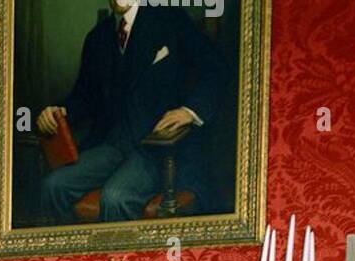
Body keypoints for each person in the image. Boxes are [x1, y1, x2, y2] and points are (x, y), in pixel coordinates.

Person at [37, 0, 225, 223]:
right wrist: (58, 111)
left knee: (116, 197)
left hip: (157, 149)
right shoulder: (98, 37)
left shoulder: (170, 20)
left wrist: (189, 111)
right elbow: (84, 97)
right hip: (111, 145)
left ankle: (118, 260)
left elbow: (215, 69)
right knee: (53, 186)